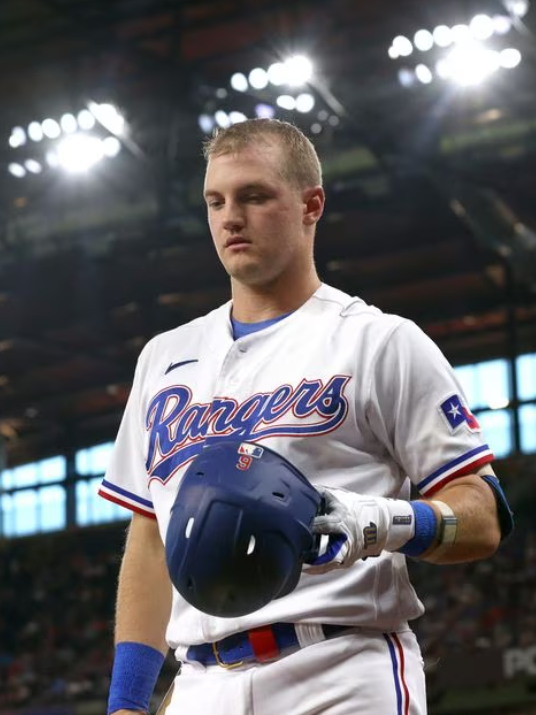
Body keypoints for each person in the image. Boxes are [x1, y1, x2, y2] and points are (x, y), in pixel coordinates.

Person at [98, 118, 512, 715]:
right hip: (200, 684)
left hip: (338, 670)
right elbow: (151, 543)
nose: (230, 217)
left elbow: (483, 516)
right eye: (216, 202)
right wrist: (128, 703)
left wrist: (386, 521)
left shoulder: (380, 342)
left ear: (311, 204)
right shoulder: (164, 358)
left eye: (254, 196)